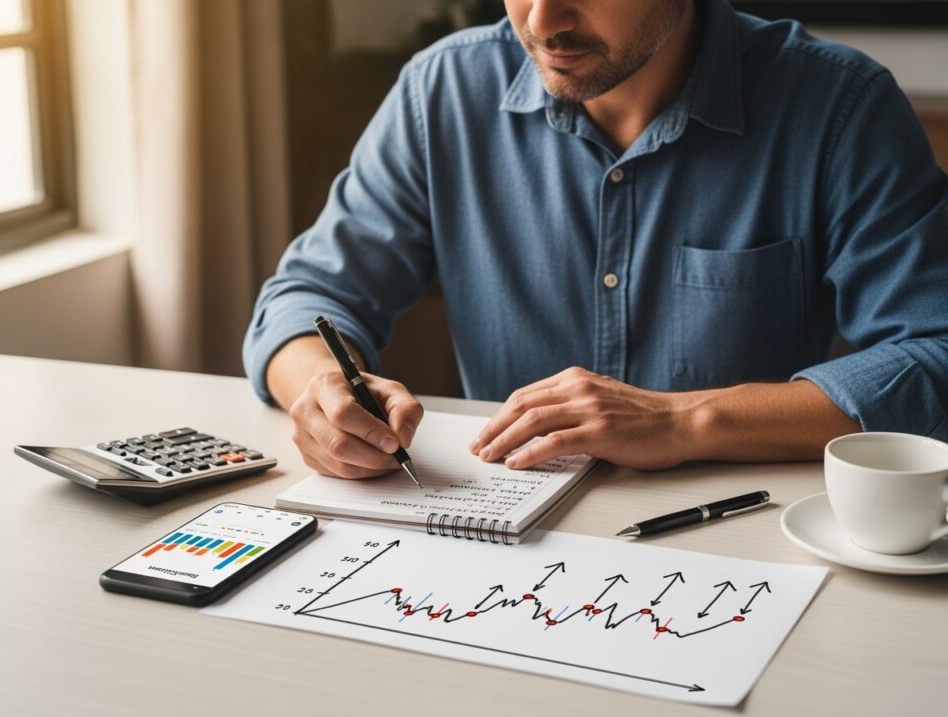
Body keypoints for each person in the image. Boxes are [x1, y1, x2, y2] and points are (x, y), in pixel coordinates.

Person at [244, 0, 948, 479]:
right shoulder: (443, 91)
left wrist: (683, 420)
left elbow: (934, 357)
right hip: (503, 542)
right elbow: (307, 297)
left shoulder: (841, 108)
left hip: (740, 543)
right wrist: (323, 387)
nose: (542, 20)